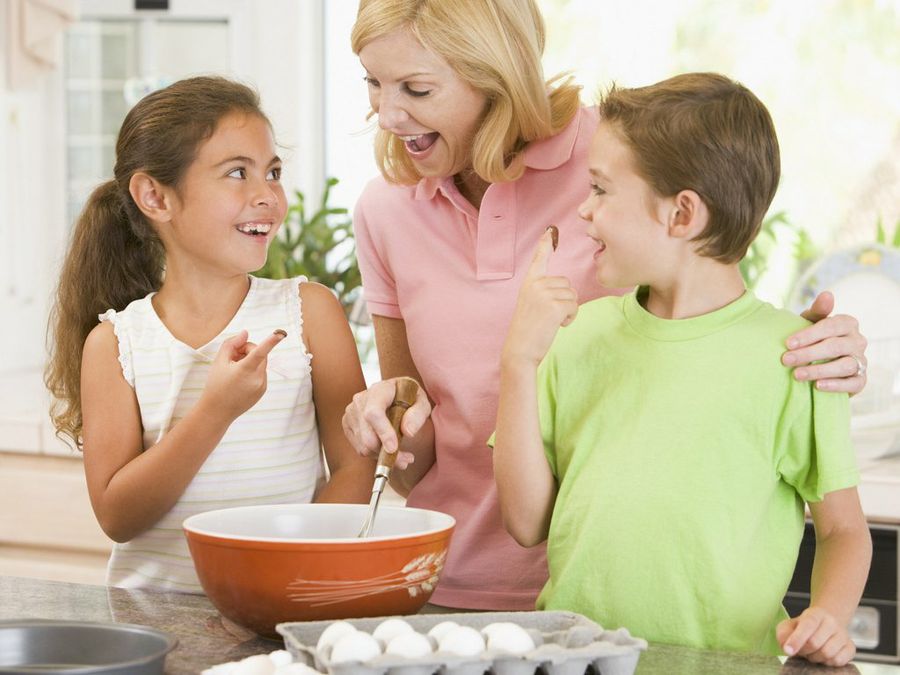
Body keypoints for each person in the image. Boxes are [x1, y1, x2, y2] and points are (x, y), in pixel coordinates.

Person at [341, 0, 869, 612]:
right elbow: (414, 456)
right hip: (448, 583)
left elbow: (707, 289)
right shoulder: (385, 212)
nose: (385, 114)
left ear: (496, 74)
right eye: (373, 83)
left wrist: (812, 355)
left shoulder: (622, 153)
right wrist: (391, 415)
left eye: (417, 88)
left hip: (616, 599)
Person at [492, 73, 872, 666]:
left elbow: (844, 530)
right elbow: (524, 522)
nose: (584, 211)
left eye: (600, 189)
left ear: (682, 214)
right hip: (573, 660)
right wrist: (518, 362)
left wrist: (828, 614)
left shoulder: (797, 358)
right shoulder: (576, 336)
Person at [45, 76, 375, 592]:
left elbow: (356, 468)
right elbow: (117, 516)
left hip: (284, 606)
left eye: (273, 172)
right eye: (237, 173)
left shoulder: (309, 314)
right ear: (156, 196)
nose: (267, 195)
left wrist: (290, 577)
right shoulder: (115, 344)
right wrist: (215, 410)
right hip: (159, 625)